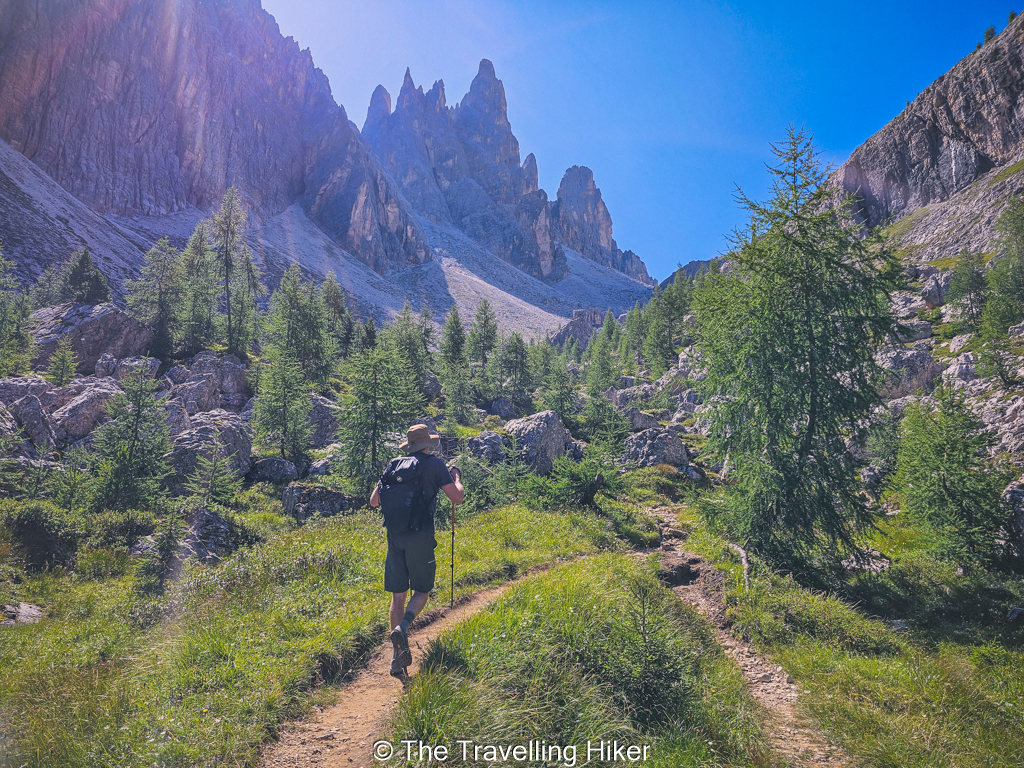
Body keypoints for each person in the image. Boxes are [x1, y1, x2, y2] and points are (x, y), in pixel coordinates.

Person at [369, 423, 464, 677]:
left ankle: (396, 658)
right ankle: (404, 626)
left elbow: (374, 501)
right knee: (422, 589)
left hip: (394, 537)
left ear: (409, 446)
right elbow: (457, 498)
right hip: (420, 537)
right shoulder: (434, 465)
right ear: (428, 445)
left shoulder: (394, 464)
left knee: (397, 595)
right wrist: (456, 477)